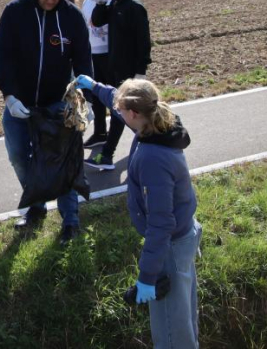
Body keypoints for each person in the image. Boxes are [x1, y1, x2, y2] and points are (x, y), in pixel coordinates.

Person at [76, 74, 201, 348]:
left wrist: (147, 277)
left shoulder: (152, 158)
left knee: (171, 335)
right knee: (184, 321)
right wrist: (94, 87)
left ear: (133, 114)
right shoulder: (159, 125)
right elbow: (121, 102)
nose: (116, 114)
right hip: (183, 236)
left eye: (119, 111)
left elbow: (160, 224)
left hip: (168, 248)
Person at [0, 0, 93, 244]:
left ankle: (70, 222)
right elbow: (4, 57)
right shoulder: (15, 13)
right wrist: (9, 96)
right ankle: (36, 206)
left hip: (57, 103)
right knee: (17, 155)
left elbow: (83, 60)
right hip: (20, 103)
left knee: (63, 160)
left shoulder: (72, 17)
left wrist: (84, 97)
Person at [86, 0, 152, 170]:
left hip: (131, 73)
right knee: (127, 113)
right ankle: (152, 142)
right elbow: (96, 22)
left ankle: (107, 155)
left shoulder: (134, 7)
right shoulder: (112, 4)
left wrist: (140, 73)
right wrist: (100, 3)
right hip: (115, 69)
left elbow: (144, 43)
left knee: (122, 112)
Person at [80, 0, 115, 150]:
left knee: (116, 97)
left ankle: (140, 131)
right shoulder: (87, 1)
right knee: (97, 95)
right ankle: (100, 132)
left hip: (110, 56)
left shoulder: (112, 1)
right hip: (93, 56)